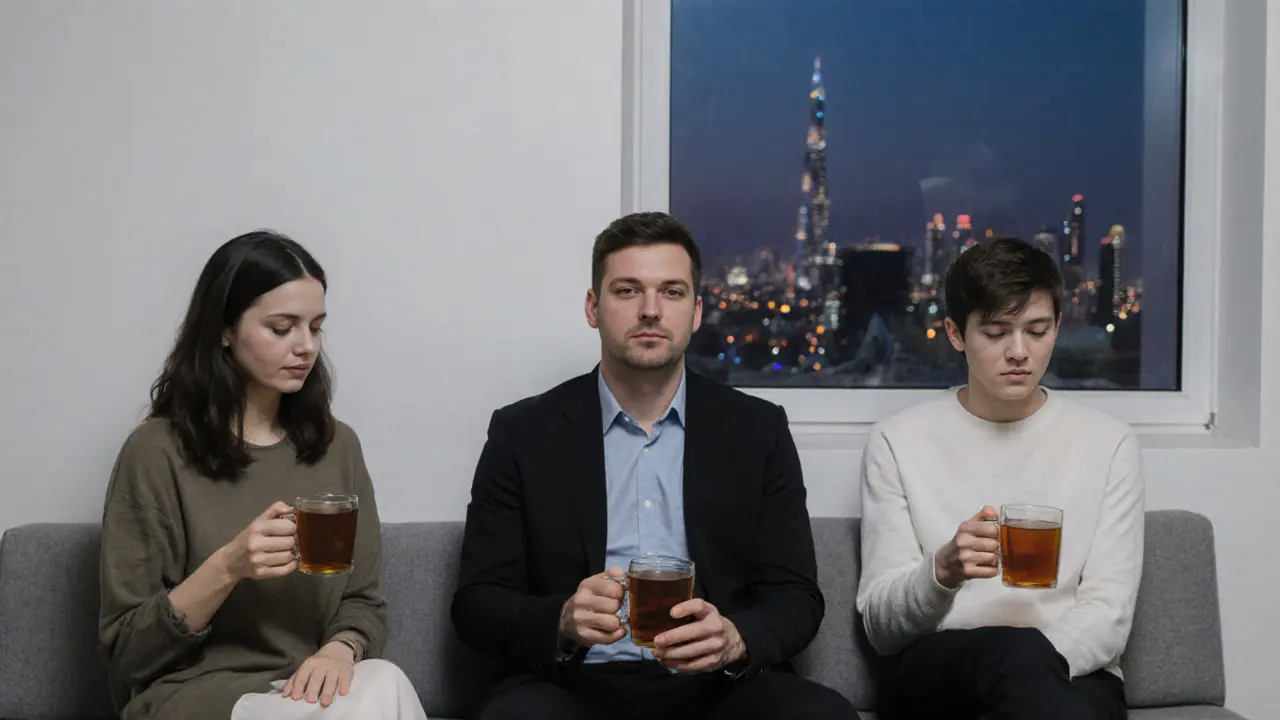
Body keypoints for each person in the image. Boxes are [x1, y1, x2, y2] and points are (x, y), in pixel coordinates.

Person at [451, 212, 858, 720]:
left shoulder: (758, 430)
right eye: (627, 291)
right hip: (570, 685)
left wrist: (734, 639)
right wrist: (560, 618)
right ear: (592, 307)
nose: (650, 310)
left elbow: (797, 595)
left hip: (718, 687)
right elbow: (477, 603)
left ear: (697, 311)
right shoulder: (522, 433)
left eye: (671, 291)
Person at [98, 231, 429, 720]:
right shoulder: (155, 453)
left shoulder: (338, 446)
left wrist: (341, 650)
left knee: (388, 680)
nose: (306, 347)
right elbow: (127, 652)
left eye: (316, 328)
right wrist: (228, 566)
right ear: (225, 330)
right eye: (282, 328)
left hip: (304, 683)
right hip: (194, 693)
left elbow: (364, 599)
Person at [856, 236, 1145, 720]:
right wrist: (942, 571)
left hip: (1069, 673)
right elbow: (882, 628)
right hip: (939, 673)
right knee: (1022, 665)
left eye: (1037, 330)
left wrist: (1032, 668)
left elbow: (1108, 614)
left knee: (1032, 669)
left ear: (1057, 326)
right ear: (955, 333)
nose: (1019, 352)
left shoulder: (1109, 443)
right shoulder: (898, 441)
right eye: (996, 333)